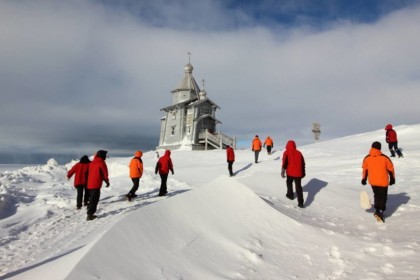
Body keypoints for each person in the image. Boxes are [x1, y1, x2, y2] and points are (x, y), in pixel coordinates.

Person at [361, 141, 395, 222]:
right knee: (382, 197)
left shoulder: (367, 158)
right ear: (379, 148)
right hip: (383, 181)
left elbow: (365, 170)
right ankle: (380, 211)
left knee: (377, 195)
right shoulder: (385, 158)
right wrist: (392, 179)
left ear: (372, 147)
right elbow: (391, 169)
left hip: (373, 181)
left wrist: (364, 179)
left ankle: (377, 209)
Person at [281, 140, 305, 208]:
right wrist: (303, 173)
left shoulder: (286, 152)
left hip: (290, 173)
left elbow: (284, 163)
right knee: (298, 187)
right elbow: (303, 164)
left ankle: (290, 195)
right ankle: (301, 203)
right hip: (298, 173)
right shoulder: (299, 153)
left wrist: (282, 171)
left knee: (289, 183)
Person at [86, 150, 110, 221]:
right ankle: (90, 215)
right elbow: (105, 174)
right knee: (94, 200)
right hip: (96, 184)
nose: (106, 157)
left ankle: (89, 211)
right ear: (102, 156)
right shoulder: (101, 163)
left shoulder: (92, 163)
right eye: (105, 155)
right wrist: (107, 182)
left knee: (92, 199)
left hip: (89, 184)